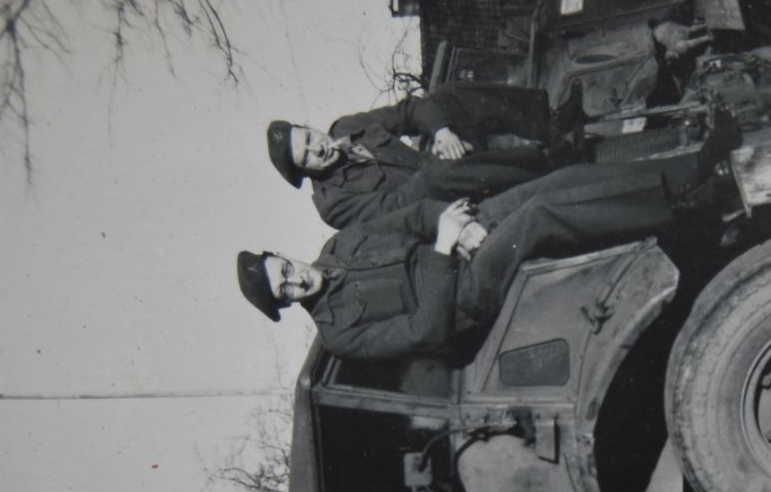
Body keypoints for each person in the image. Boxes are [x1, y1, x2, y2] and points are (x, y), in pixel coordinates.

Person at [237, 111, 742, 362]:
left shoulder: (338, 248)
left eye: (283, 270)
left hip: (456, 238)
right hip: (465, 295)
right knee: (538, 215)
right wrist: (444, 247)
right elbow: (425, 331)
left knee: (550, 185)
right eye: (284, 290)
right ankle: (683, 209)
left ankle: (690, 169)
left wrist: (446, 223)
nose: (293, 280)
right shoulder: (339, 335)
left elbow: (410, 216)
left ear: (284, 257)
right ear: (285, 305)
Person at [269, 82, 587, 229]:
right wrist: (437, 160)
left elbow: (410, 110)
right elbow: (397, 208)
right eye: (306, 156)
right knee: (439, 175)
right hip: (437, 209)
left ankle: (551, 123)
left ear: (311, 128)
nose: (318, 148)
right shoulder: (333, 205)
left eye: (309, 138)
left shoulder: (346, 127)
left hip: (447, 166)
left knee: (447, 99)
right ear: (306, 173)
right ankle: (553, 161)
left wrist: (441, 133)